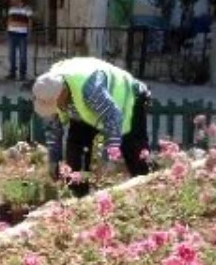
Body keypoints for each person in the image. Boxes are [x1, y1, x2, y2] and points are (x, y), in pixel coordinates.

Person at [31, 57, 152, 198]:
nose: (53, 109)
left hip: (128, 98)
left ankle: (148, 191)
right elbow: (54, 128)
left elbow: (114, 117)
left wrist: (109, 156)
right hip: (87, 107)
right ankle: (79, 194)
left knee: (133, 151)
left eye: (54, 104)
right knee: (76, 149)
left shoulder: (90, 91)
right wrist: (53, 160)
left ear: (63, 92)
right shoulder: (48, 86)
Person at [5, 0, 33, 81]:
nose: (11, 0)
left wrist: (29, 33)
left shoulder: (27, 9)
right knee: (11, 55)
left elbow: (30, 21)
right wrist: (7, 30)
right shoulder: (11, 9)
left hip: (22, 35)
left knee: (22, 55)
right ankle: (12, 73)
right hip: (11, 34)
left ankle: (22, 74)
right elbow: (9, 20)